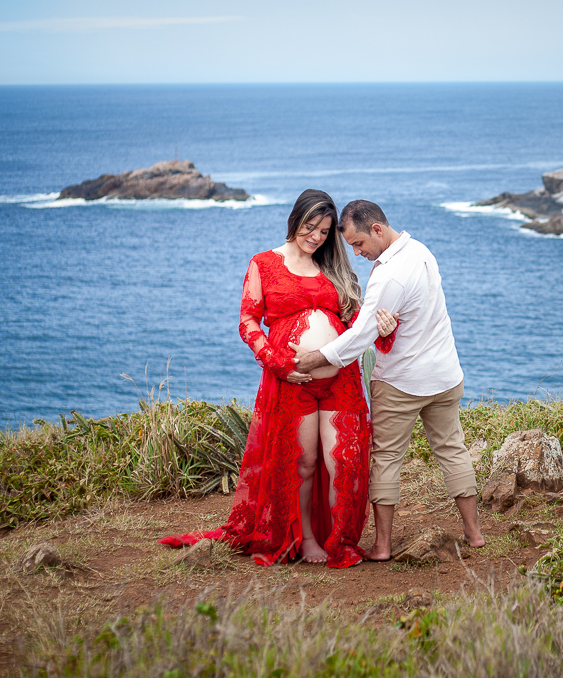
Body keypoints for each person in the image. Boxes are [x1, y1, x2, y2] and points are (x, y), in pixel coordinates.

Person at [159, 189, 397, 568]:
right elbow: (248, 321)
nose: (317, 237)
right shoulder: (264, 264)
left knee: (345, 462)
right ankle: (307, 539)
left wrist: (383, 329)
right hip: (291, 382)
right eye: (310, 227)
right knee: (302, 463)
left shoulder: (334, 266)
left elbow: (355, 321)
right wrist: (277, 361)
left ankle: (341, 540)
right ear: (295, 220)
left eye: (324, 231)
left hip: (341, 378)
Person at [291, 199, 484, 561]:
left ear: (377, 230)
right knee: (453, 450)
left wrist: (316, 357)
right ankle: (474, 534)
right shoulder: (422, 252)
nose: (357, 253)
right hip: (444, 375)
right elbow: (416, 312)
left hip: (402, 382)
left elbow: (360, 335)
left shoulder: (388, 274)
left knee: (386, 459)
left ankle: (381, 546)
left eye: (359, 244)